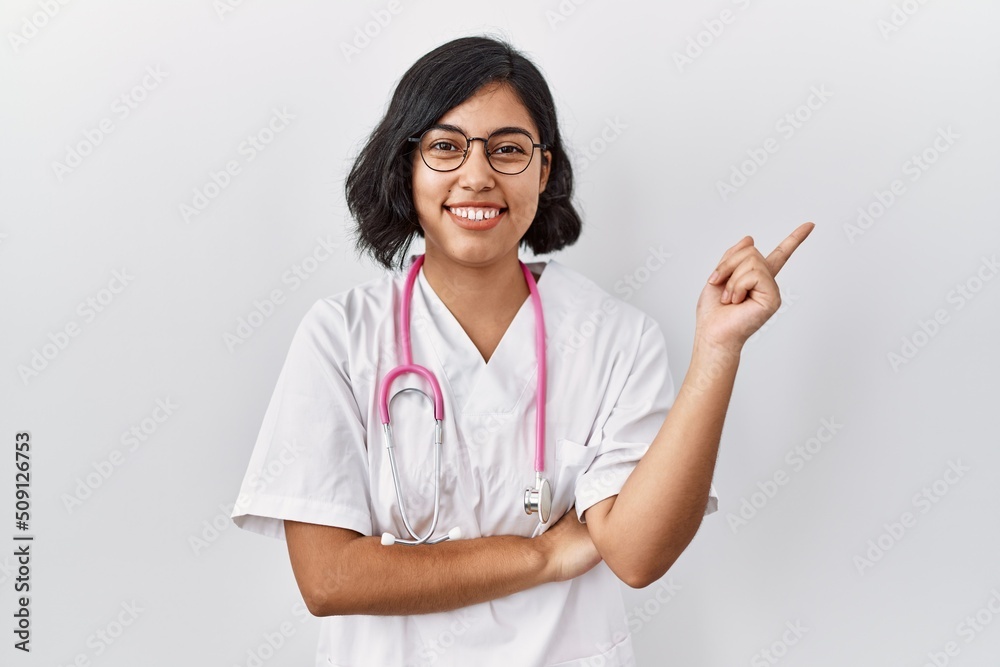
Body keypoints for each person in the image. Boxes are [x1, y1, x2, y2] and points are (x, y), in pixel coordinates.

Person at [231, 34, 814, 667]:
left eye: (508, 150)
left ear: (542, 169)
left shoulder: (615, 338)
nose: (477, 176)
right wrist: (543, 555)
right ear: (406, 167)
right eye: (445, 147)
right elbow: (330, 580)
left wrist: (717, 351)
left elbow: (638, 554)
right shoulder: (340, 337)